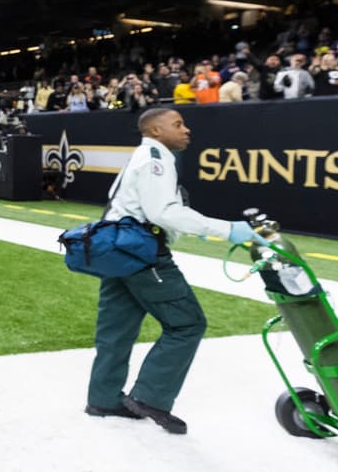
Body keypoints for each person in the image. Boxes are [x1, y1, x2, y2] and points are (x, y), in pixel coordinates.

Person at [86, 108, 264, 434]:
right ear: (155, 129)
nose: (187, 130)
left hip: (116, 251)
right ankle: (150, 397)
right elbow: (164, 212)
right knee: (187, 323)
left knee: (116, 328)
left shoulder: (141, 155)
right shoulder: (157, 158)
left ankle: (103, 398)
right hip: (142, 252)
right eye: (178, 124)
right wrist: (229, 229)